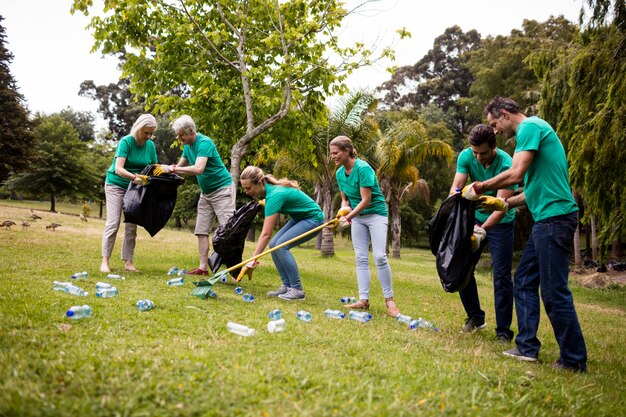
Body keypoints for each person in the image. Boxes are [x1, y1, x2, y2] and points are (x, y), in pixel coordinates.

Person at [463, 96, 587, 371]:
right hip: (547, 219)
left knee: (554, 291)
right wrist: (501, 203)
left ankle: (574, 360)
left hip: (555, 219)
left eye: (495, 124)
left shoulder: (530, 127)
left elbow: (516, 174)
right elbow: (530, 191)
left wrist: (482, 187)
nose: (495, 131)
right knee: (524, 280)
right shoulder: (534, 132)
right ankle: (527, 347)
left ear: (505, 114)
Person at [449, 124, 516, 344]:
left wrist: (482, 231)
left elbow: (501, 205)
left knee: (502, 277)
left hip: (501, 222)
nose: (478, 158)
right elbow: (455, 188)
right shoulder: (467, 156)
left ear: (494, 147)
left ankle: (504, 332)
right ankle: (476, 317)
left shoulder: (507, 163)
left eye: (483, 153)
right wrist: (459, 196)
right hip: (474, 217)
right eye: (475, 152)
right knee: (462, 267)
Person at [329, 136, 400, 317]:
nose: (333, 156)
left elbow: (366, 200)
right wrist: (341, 214)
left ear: (347, 151)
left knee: (380, 256)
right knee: (360, 257)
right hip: (358, 218)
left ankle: (390, 301)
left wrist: (348, 218)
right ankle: (363, 300)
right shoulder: (339, 174)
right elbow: (346, 200)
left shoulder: (363, 168)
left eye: (335, 153)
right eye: (331, 153)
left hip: (376, 215)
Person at [156, 115, 235, 275]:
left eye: (181, 135)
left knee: (228, 232)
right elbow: (179, 168)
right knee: (201, 230)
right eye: (178, 135)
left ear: (190, 131)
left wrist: (172, 168)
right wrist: (160, 175)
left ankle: (234, 271)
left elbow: (198, 168)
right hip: (206, 193)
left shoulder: (204, 143)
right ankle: (203, 268)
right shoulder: (187, 146)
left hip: (222, 190)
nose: (179, 138)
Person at [238, 166, 325, 300]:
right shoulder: (271, 193)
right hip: (300, 218)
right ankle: (287, 286)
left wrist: (252, 260)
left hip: (314, 219)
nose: (246, 192)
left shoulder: (275, 195)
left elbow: (266, 234)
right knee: (274, 245)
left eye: (248, 188)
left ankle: (297, 289)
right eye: (244, 188)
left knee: (281, 246)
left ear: (260, 183)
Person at [100, 114, 158, 273]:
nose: (148, 136)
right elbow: (119, 168)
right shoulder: (126, 142)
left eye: (151, 133)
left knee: (132, 225)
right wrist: (135, 177)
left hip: (135, 188)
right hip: (116, 184)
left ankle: (128, 262)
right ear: (138, 128)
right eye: (146, 132)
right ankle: (105, 262)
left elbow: (154, 167)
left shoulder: (150, 145)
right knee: (113, 223)